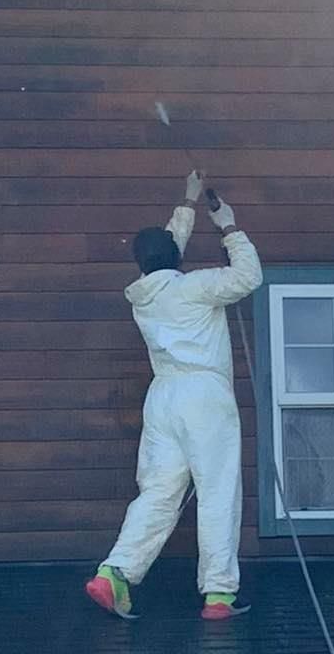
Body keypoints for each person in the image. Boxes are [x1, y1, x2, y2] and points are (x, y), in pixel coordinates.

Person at [85, 170, 263, 621]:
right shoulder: (196, 287)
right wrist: (228, 225)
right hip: (205, 395)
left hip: (162, 396)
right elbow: (249, 276)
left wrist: (187, 201)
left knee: (158, 493)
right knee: (217, 491)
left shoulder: (145, 295)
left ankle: (114, 573)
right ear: (172, 258)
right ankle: (219, 595)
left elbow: (164, 253)